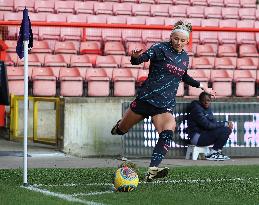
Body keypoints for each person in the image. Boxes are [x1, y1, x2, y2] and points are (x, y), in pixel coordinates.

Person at [111, 20, 216, 181]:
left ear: (187, 41)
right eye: (176, 39)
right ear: (171, 37)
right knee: (121, 130)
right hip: (146, 100)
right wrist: (135, 58)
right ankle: (119, 126)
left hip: (164, 106)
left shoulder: (185, 58)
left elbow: (184, 76)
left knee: (168, 131)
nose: (179, 43)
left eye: (182, 40)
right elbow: (142, 58)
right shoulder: (160, 48)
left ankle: (153, 170)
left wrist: (203, 87)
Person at [187, 92, 233, 161]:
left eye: (208, 100)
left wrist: (225, 125)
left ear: (210, 101)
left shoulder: (207, 109)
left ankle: (215, 152)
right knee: (225, 130)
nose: (206, 102)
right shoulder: (196, 109)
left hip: (204, 134)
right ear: (200, 101)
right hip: (196, 137)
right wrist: (225, 123)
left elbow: (213, 124)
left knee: (226, 129)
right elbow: (208, 125)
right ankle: (213, 153)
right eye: (203, 100)